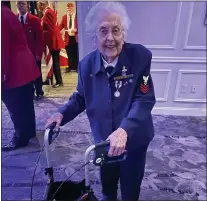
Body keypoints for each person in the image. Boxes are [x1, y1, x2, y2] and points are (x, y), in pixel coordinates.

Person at [46, 2, 156, 201]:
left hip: (134, 139)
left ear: (124, 32)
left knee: (131, 187)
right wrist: (61, 112)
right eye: (103, 31)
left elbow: (144, 99)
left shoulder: (140, 57)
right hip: (103, 140)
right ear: (94, 35)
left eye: (116, 30)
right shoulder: (86, 65)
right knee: (107, 184)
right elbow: (80, 97)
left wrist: (124, 130)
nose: (110, 38)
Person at [1, 2, 40, 151]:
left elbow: (2, 48)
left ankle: (20, 137)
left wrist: (1, 74)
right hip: (23, 65)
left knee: (15, 105)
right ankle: (28, 132)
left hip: (13, 68)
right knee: (25, 103)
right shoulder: (6, 12)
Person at [17, 0, 44, 100]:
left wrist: (39, 53)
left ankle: (39, 91)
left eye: (22, 4)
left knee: (36, 73)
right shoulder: (15, 19)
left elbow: (40, 38)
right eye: (18, 4)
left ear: (27, 6)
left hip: (33, 53)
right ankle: (29, 92)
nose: (20, 6)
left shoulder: (34, 20)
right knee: (25, 74)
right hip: (21, 55)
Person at [37, 0, 64, 88]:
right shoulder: (47, 12)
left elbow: (51, 29)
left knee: (55, 62)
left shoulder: (48, 12)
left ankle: (59, 81)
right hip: (51, 42)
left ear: (42, 5)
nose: (38, 8)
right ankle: (50, 79)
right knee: (51, 62)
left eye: (38, 6)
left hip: (53, 42)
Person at [59, 2, 78, 73]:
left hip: (75, 37)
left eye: (71, 7)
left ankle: (76, 67)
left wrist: (76, 30)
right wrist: (56, 32)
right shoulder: (64, 17)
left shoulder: (76, 16)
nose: (69, 9)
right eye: (68, 8)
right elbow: (60, 26)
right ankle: (69, 66)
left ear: (73, 8)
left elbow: (81, 26)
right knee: (69, 53)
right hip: (68, 38)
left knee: (76, 52)